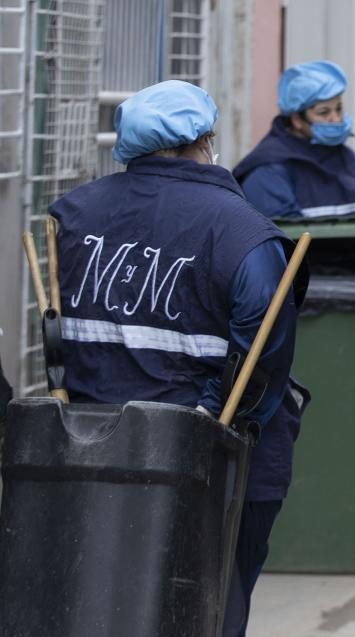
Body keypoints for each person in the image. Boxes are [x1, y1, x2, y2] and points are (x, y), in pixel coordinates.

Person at [48, 80, 308, 637]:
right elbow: (262, 361)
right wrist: (206, 422)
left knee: (98, 604)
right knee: (209, 607)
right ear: (205, 142)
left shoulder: (70, 217)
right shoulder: (245, 233)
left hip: (94, 456)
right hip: (214, 466)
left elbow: (58, 339)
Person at [234, 60, 355, 277]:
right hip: (315, 295)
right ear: (296, 119)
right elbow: (290, 246)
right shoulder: (269, 170)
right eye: (323, 112)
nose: (336, 119)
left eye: (338, 109)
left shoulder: (345, 157)